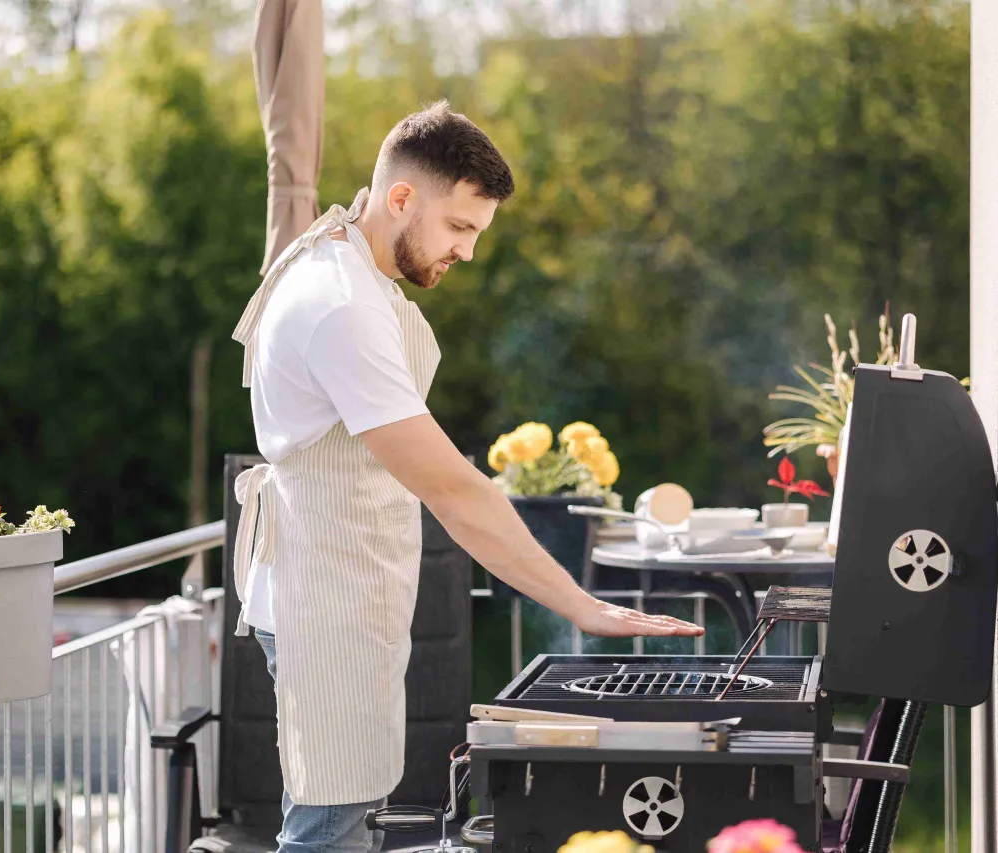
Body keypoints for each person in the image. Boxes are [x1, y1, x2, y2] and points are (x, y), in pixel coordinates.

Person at [230, 100, 703, 853]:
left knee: (341, 815)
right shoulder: (342, 304)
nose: (468, 253)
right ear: (401, 198)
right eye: (459, 229)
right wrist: (582, 606)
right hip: (320, 596)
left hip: (343, 587)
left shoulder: (357, 267)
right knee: (325, 827)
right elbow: (454, 491)